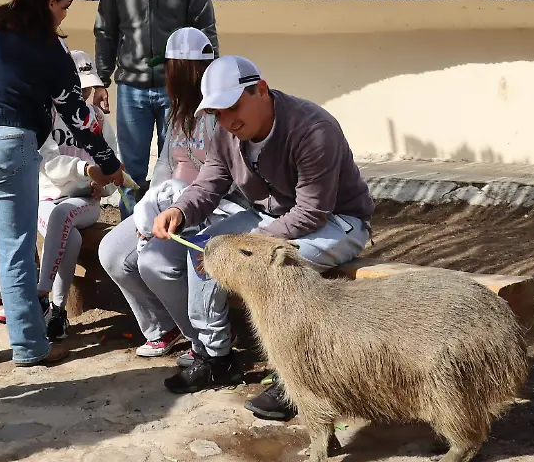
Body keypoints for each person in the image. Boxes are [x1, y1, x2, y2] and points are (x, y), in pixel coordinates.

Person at [151, 55, 375, 418]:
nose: (227, 119)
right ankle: (215, 357)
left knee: (276, 267)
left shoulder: (314, 128)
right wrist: (180, 210)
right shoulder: (226, 132)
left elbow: (312, 211)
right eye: (218, 113)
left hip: (337, 221)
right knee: (208, 251)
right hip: (270, 217)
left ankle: (295, 382)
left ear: (262, 90)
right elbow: (209, 182)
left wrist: (252, 244)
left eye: (233, 107)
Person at [0, 0, 124, 368]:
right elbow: (74, 109)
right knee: (15, 246)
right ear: (51, 2)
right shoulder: (45, 43)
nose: (65, 15)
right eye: (66, 7)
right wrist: (107, 161)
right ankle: (29, 345)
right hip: (9, 141)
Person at [99, 27, 247, 359]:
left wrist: (176, 205)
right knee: (111, 252)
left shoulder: (220, 112)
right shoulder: (177, 112)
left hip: (209, 210)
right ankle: (162, 327)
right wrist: (150, 207)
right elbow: (166, 164)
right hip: (168, 203)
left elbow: (228, 182)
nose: (164, 73)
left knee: (155, 264)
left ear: (193, 69)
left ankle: (203, 341)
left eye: (170, 65)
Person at [93, 0, 219, 217]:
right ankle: (129, 235)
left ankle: (172, 234)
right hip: (130, 91)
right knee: (131, 170)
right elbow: (105, 33)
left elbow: (207, 34)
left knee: (180, 166)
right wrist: (100, 79)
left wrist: (206, 85)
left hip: (175, 90)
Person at [0, 50, 118, 342]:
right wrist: (86, 168)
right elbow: (48, 164)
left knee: (64, 217)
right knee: (70, 237)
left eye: (87, 88)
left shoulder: (98, 118)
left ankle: (39, 295)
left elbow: (114, 163)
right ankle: (58, 311)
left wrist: (106, 185)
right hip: (48, 197)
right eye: (79, 87)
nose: (84, 93)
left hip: (84, 201)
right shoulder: (47, 116)